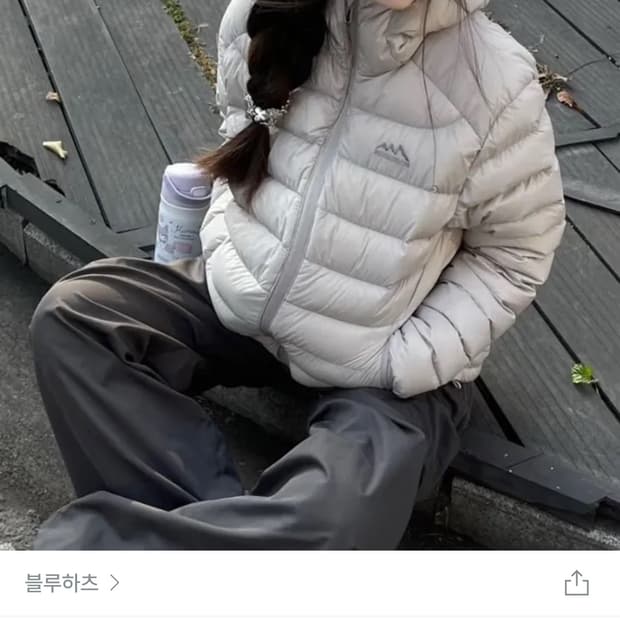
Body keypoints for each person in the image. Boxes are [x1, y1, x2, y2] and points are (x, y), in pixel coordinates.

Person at [30, 0, 565, 549]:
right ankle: (222, 551)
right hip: (246, 301)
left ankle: (110, 553)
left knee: (334, 516)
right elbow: (239, 132)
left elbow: (514, 254)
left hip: (383, 363)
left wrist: (403, 358)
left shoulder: (495, 80)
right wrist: (231, 249)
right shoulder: (262, 12)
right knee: (76, 316)